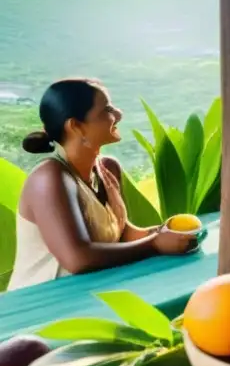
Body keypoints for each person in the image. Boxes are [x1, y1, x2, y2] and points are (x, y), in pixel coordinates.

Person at [11, 79, 197, 290]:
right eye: (107, 109)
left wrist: (164, 232)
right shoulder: (49, 178)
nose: (118, 114)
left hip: (91, 291)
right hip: (41, 305)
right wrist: (154, 243)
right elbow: (78, 259)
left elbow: (123, 234)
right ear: (76, 126)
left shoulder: (108, 169)